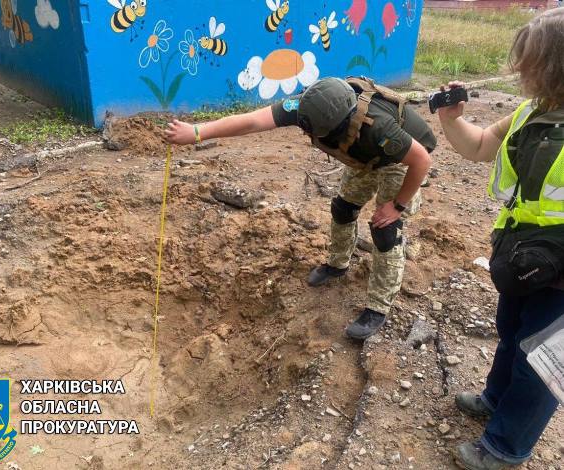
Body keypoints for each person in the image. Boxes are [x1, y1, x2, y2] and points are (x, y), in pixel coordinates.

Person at [166, 76, 436, 339]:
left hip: (400, 162)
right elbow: (252, 121)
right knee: (343, 209)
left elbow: (421, 160)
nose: (306, 133)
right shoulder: (308, 106)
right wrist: (197, 132)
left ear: (336, 126)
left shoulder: (378, 127)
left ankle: (378, 307)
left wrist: (397, 206)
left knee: (385, 230)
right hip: (365, 159)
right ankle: (338, 264)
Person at [437, 8, 564, 470]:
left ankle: (507, 446)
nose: (521, 70)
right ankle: (495, 398)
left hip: (561, 272)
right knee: (512, 335)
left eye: (532, 61)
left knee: (543, 365)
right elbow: (477, 146)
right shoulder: (534, 110)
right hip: (522, 257)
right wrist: (451, 119)